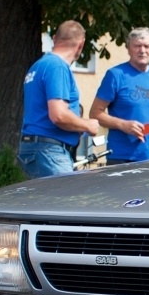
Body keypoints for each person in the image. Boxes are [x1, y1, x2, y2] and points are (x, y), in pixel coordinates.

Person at [18, 20, 100, 179]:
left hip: (35, 147)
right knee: (67, 202)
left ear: (55, 38)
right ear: (81, 44)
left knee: (45, 203)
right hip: (50, 150)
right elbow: (59, 115)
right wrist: (87, 124)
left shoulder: (39, 65)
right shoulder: (57, 67)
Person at [89, 27, 149, 165]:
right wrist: (123, 125)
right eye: (137, 46)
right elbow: (95, 113)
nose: (142, 50)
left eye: (146, 46)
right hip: (121, 157)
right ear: (129, 49)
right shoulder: (115, 75)